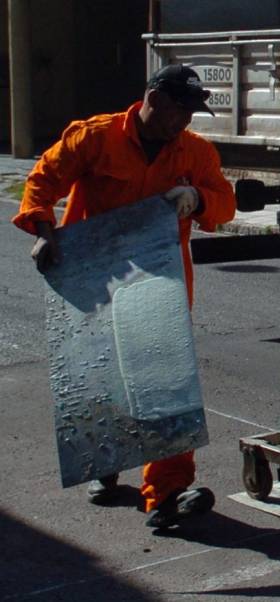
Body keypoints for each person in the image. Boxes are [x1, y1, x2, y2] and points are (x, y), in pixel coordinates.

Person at [12, 64, 237, 529]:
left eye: (192, 114)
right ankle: (104, 461)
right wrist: (42, 227)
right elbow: (43, 179)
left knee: (164, 380)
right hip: (95, 276)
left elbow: (225, 201)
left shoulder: (193, 152)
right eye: (181, 109)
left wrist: (197, 198)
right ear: (154, 98)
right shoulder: (95, 137)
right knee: (99, 373)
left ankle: (168, 491)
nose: (186, 122)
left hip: (159, 282)